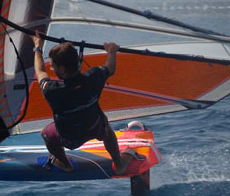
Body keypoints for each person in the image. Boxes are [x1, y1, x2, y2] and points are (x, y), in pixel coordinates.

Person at [32, 31, 145, 174]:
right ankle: (119, 163)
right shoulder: (94, 77)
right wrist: (111, 52)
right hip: (95, 129)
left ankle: (65, 164)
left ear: (63, 69)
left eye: (53, 65)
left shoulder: (52, 91)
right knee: (105, 126)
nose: (51, 68)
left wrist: (37, 47)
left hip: (69, 139)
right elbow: (110, 68)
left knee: (45, 134)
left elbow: (40, 71)